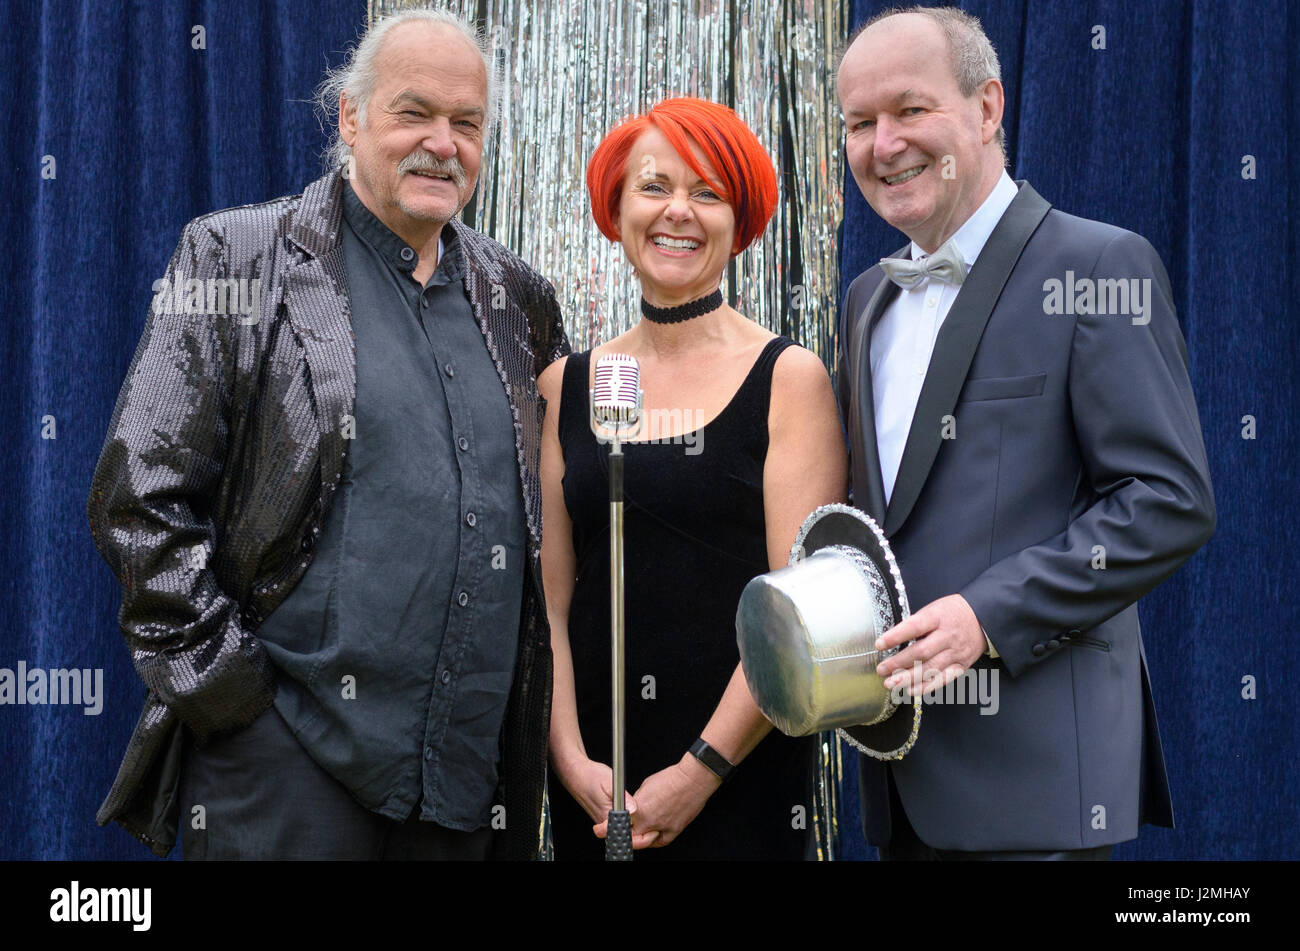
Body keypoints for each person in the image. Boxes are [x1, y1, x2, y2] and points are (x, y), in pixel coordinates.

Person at [86, 8, 569, 860]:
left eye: (467, 123)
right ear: (350, 117)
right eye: (413, 113)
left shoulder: (518, 297)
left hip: (463, 794)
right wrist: (237, 701)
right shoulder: (236, 255)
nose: (442, 144)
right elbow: (141, 496)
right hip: (282, 776)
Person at [834, 6, 1215, 860]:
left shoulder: (1099, 267)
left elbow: (1169, 502)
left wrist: (988, 614)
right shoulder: (866, 300)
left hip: (1041, 789)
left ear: (987, 108)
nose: (883, 143)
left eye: (909, 110)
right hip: (901, 784)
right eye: (859, 123)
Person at [537, 97, 848, 860]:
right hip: (594, 789)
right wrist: (571, 759)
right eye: (654, 186)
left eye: (707, 192)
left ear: (739, 221)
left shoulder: (789, 379)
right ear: (616, 207)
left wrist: (700, 770)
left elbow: (798, 614)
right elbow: (545, 604)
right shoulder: (563, 386)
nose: (678, 211)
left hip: (740, 774)